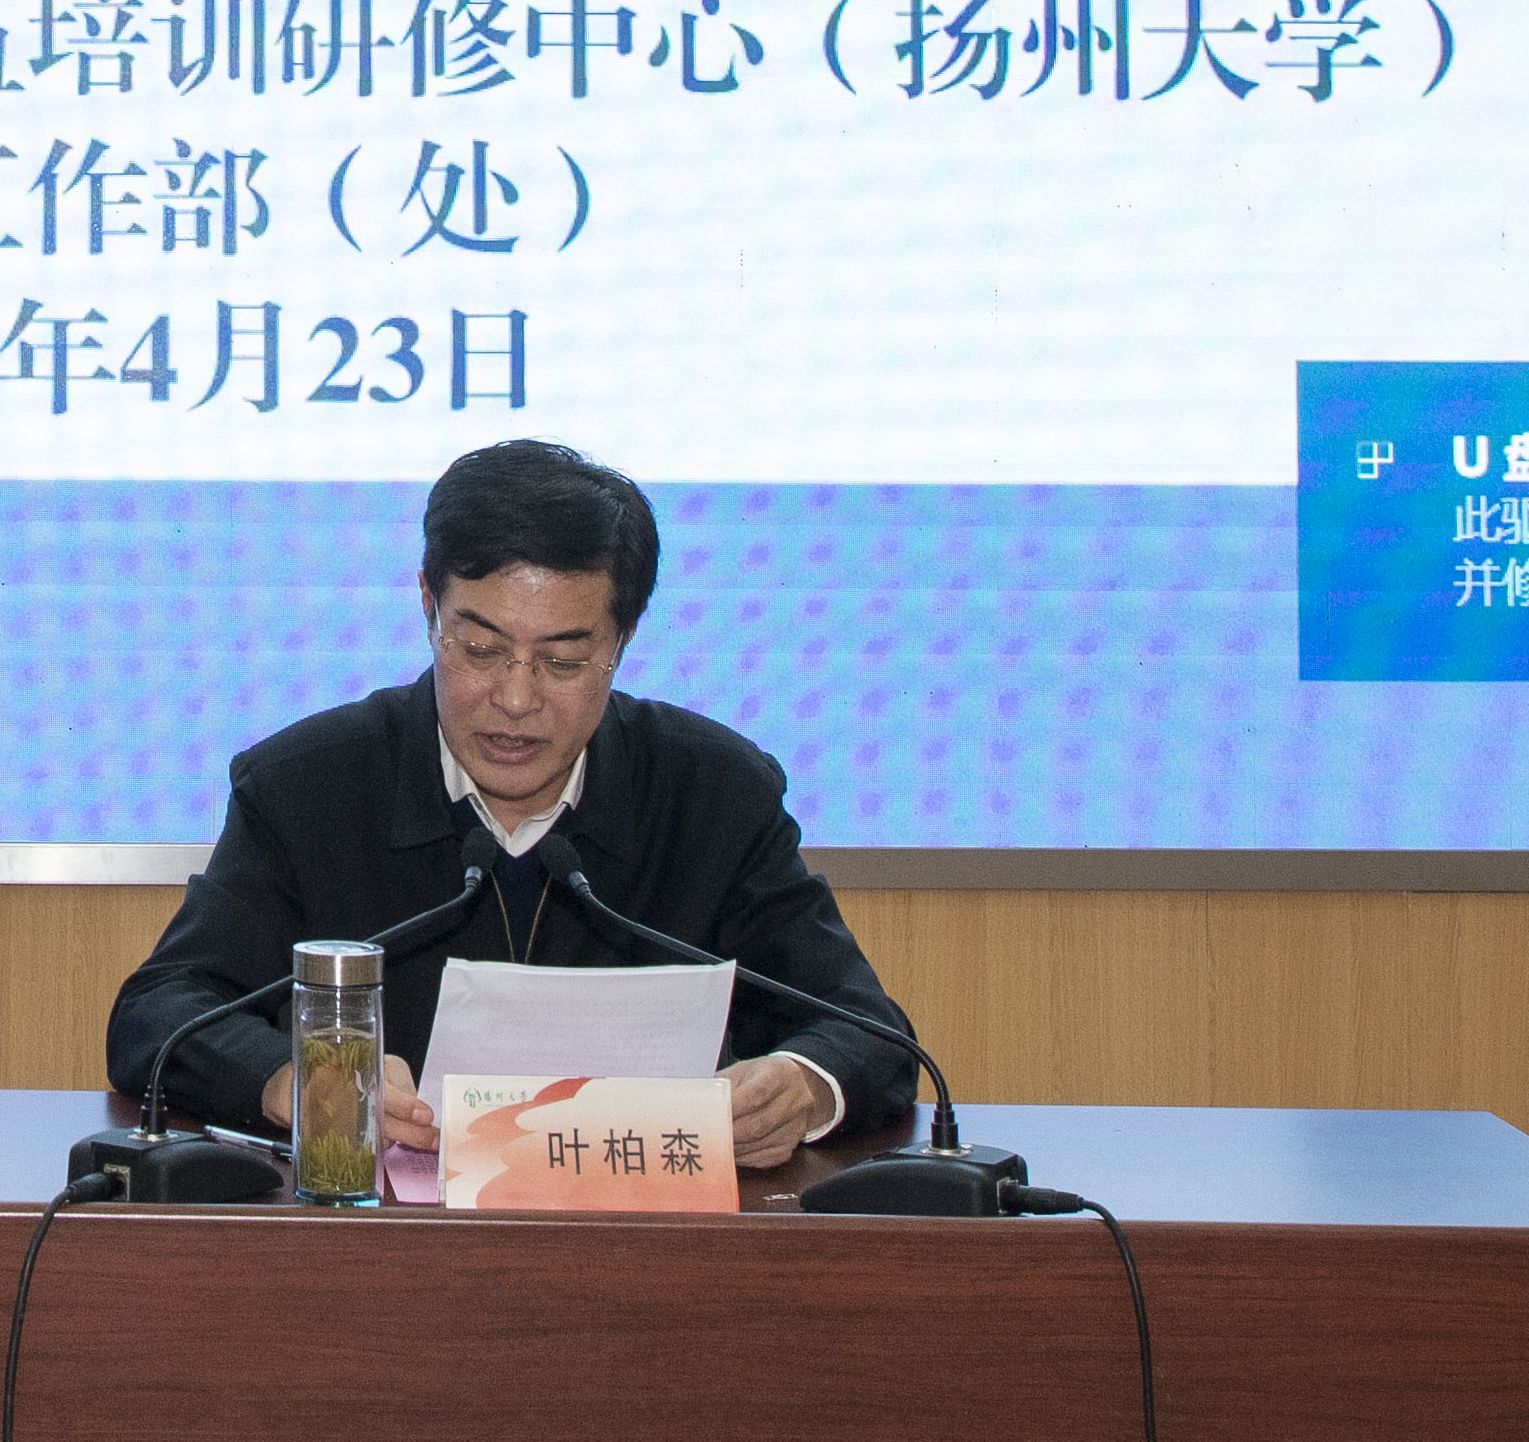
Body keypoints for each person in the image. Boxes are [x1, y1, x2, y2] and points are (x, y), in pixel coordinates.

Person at [103, 438, 922, 1170]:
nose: (516, 699)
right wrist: (297, 1078)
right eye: (480, 649)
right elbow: (159, 1013)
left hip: (648, 1247)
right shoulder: (308, 786)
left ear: (622, 640)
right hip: (389, 1245)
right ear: (427, 608)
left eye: (562, 661)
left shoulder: (712, 793)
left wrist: (800, 1085)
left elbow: (866, 1030)